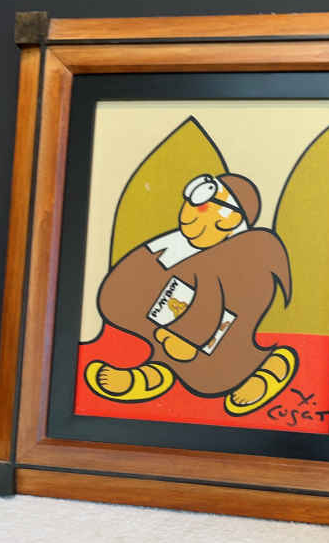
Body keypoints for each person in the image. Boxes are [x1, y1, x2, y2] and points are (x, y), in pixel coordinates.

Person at [85, 172, 297, 415]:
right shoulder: (175, 246)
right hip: (170, 329)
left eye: (203, 207)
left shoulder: (234, 260)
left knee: (214, 372)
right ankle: (156, 374)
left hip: (218, 341)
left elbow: (216, 300)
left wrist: (189, 338)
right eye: (190, 203)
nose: (189, 213)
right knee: (172, 355)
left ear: (230, 219)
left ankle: (274, 365)